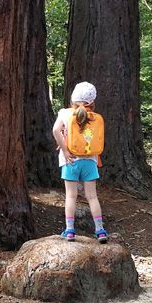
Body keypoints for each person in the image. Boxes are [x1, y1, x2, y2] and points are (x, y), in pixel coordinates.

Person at [51, 82, 108, 243]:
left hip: (71, 161)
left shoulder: (65, 113)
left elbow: (56, 130)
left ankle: (69, 230)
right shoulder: (95, 118)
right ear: (92, 101)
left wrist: (65, 150)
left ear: (72, 99)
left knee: (71, 196)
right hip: (90, 161)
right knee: (92, 196)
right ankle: (100, 230)